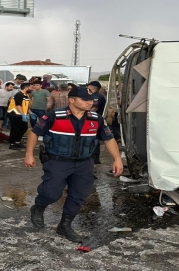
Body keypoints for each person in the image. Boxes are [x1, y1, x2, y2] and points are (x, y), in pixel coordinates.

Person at [24, 86, 123, 243]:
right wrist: (29, 154)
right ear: (71, 100)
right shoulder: (54, 116)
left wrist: (117, 159)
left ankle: (64, 226)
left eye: (91, 100)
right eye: (85, 100)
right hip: (58, 162)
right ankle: (38, 207)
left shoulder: (96, 119)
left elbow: (108, 139)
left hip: (84, 163)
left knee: (78, 195)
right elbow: (35, 133)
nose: (90, 103)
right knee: (51, 193)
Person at [87, 81, 107, 164]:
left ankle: (95, 157)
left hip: (94, 119)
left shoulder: (97, 96)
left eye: (88, 87)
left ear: (93, 87)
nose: (87, 88)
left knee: (94, 138)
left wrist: (85, 115)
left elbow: (94, 109)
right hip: (93, 118)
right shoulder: (94, 96)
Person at [7, 83, 31, 150]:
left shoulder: (26, 95)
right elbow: (18, 105)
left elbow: (26, 106)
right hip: (14, 114)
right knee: (15, 129)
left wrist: (30, 113)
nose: (32, 88)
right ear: (26, 88)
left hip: (21, 114)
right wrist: (23, 114)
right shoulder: (19, 95)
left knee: (24, 128)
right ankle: (12, 143)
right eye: (31, 87)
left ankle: (17, 142)